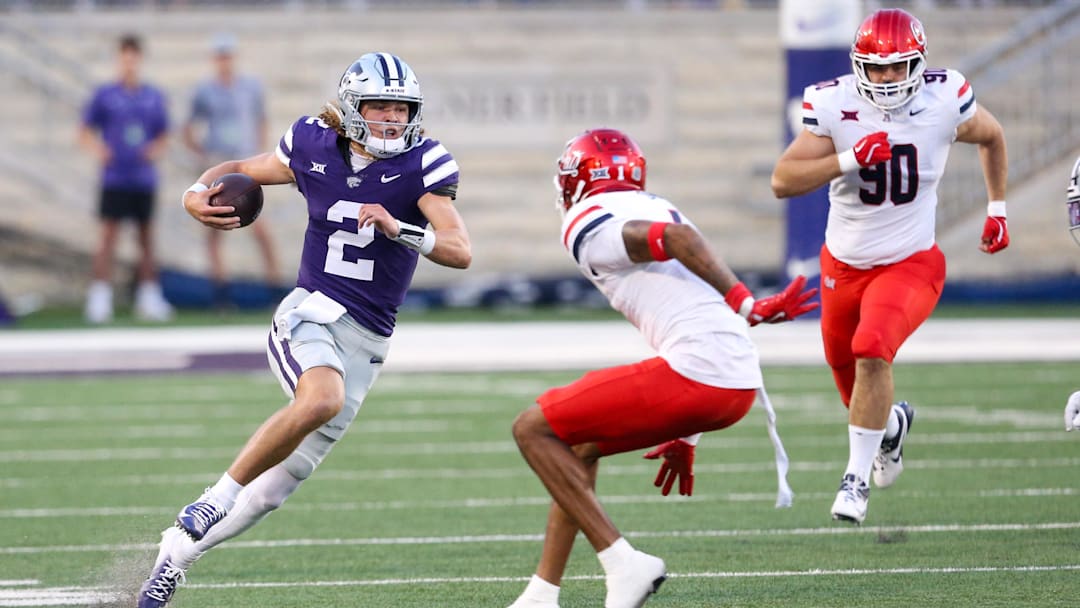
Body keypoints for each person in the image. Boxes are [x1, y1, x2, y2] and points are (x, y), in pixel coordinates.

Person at [136, 51, 471, 608]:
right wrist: (194, 193)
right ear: (353, 107)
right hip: (310, 311)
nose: (391, 119)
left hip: (368, 338)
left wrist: (400, 227)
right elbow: (239, 169)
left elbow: (460, 250)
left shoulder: (425, 165)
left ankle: (176, 555)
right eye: (379, 106)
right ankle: (213, 498)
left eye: (400, 108)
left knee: (272, 491)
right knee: (320, 398)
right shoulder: (312, 143)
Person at [507, 128, 816, 608]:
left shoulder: (589, 220)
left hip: (702, 376)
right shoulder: (656, 203)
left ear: (579, 180)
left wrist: (745, 301)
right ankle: (542, 594)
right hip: (732, 383)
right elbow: (692, 288)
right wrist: (688, 431)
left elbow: (676, 240)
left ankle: (624, 564)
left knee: (531, 430)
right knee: (579, 445)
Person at [770, 8, 1009, 525]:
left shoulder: (945, 98)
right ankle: (891, 430)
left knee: (871, 348)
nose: (884, 78)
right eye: (875, 68)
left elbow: (992, 135)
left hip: (910, 261)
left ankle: (854, 481)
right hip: (843, 266)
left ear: (917, 65)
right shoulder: (833, 102)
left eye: (897, 68)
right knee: (845, 369)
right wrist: (849, 158)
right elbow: (783, 180)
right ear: (858, 66)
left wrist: (998, 208)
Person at [79, 33, 173, 323]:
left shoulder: (152, 96)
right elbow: (84, 130)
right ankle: (100, 296)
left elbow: (164, 133)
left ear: (139, 60)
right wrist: (100, 150)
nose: (129, 63)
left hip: (143, 177)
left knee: (146, 239)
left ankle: (148, 295)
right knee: (108, 237)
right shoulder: (105, 94)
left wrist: (154, 150)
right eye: (125, 57)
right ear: (119, 59)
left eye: (134, 58)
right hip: (115, 177)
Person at [182, 33, 282, 305]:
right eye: (220, 56)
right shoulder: (205, 91)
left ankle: (274, 287)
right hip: (220, 164)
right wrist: (203, 156)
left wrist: (258, 154)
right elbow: (188, 128)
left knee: (260, 228)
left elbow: (260, 120)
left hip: (244, 165)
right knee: (214, 227)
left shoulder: (250, 87)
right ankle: (221, 292)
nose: (224, 61)